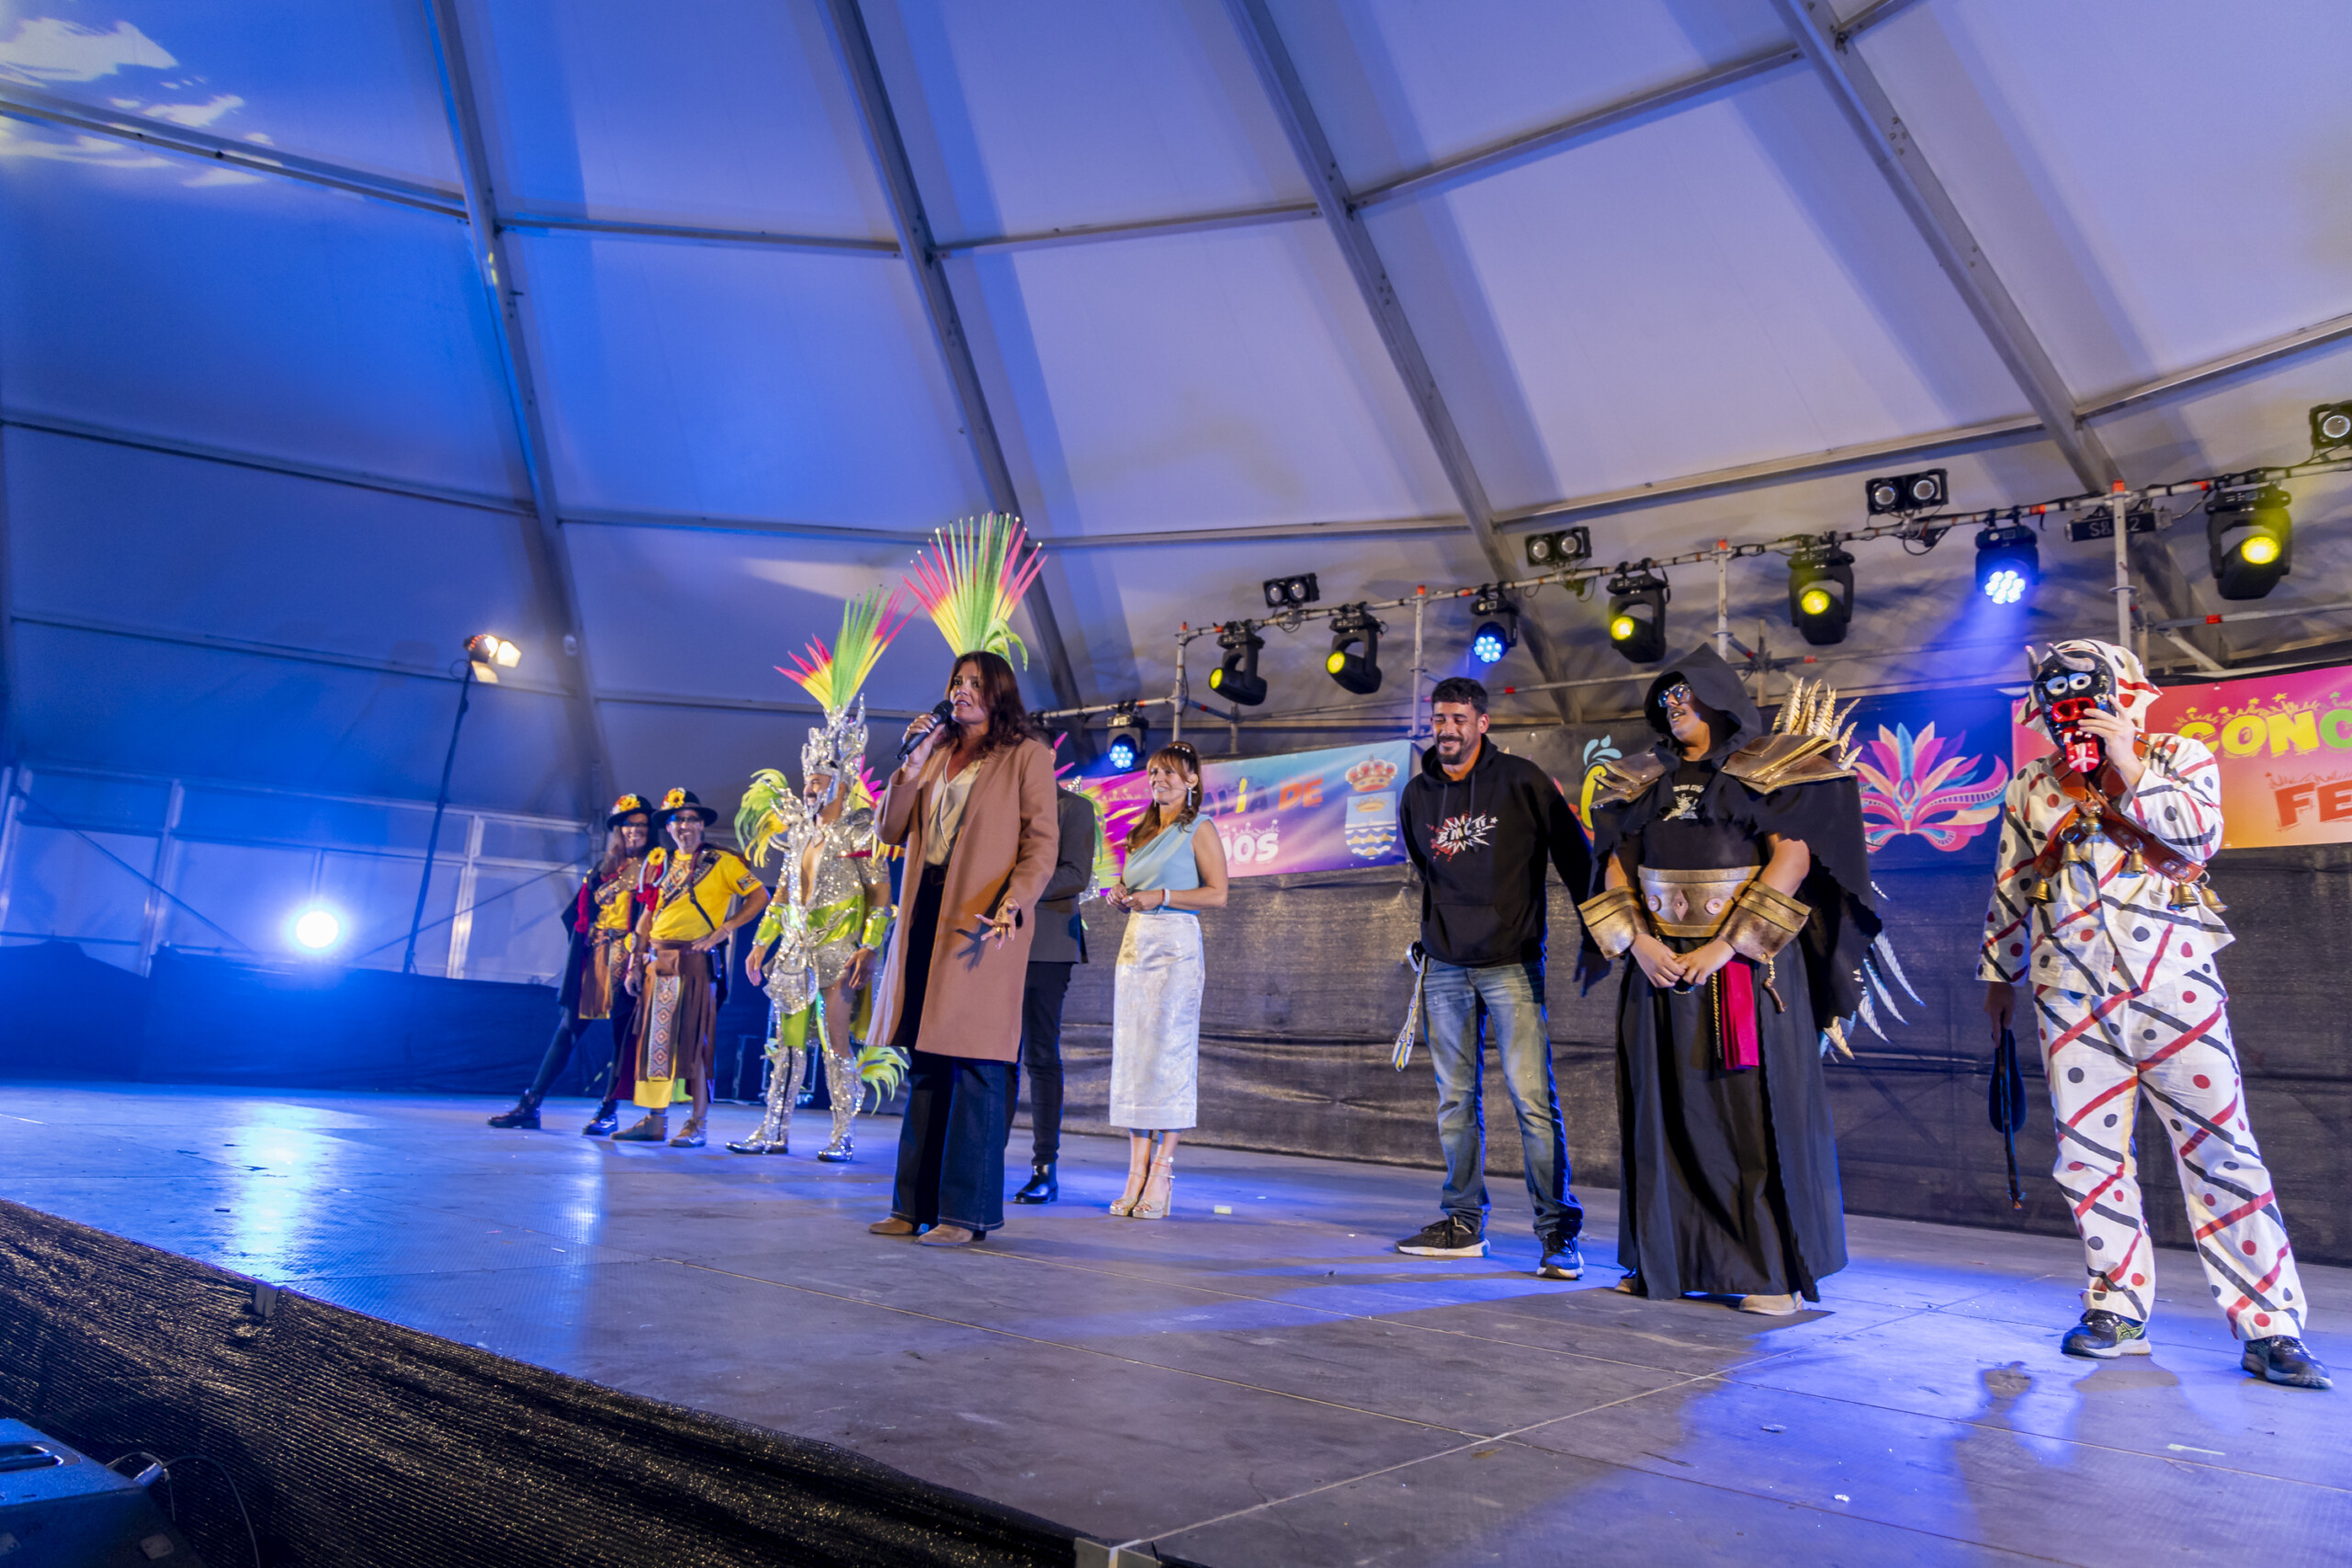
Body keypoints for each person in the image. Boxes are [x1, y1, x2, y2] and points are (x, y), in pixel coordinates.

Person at [1982, 638, 2328, 1388]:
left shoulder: (2179, 755)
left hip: (2177, 984)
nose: (2072, 708)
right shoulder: (2032, 784)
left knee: (2224, 1151)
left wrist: (2128, 762)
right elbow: (2012, 879)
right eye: (2059, 696)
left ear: (2125, 691)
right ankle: (2116, 1308)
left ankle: (2271, 1326)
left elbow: (2201, 837)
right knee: (2088, 1157)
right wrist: (2000, 975)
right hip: (2069, 991)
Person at [1577, 649, 1874, 1314]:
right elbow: (1617, 866)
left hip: (1742, 969)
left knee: (1747, 1119)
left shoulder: (1768, 769)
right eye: (1667, 696)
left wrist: (1724, 946)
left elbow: (1791, 859)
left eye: (1686, 693)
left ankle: (1766, 1273)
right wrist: (1639, 943)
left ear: (1717, 696)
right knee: (1661, 1112)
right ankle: (1663, 1261)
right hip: (1658, 969)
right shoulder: (1636, 778)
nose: (1675, 706)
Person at [1393, 677, 1592, 1278]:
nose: (1447, 728)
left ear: (1483, 722)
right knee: (1455, 1102)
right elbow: (1427, 870)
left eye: (1459, 718)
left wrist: (1598, 934)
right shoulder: (1417, 794)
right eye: (1439, 718)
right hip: (1445, 967)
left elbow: (1576, 858)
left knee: (1533, 1102)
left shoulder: (1523, 781)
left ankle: (1557, 1234)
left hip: (1512, 963)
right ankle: (1462, 1223)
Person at [867, 651, 1057, 1247]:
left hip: (983, 918)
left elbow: (1041, 842)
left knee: (975, 1063)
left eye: (975, 683)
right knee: (926, 1059)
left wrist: (1015, 900)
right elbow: (889, 830)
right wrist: (912, 761)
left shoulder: (1026, 755)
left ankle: (965, 1214)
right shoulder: (936, 751)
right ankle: (911, 1206)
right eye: (957, 681)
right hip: (927, 910)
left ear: (999, 693)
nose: (962, 690)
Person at [729, 667, 898, 1158]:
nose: (809, 787)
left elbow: (882, 899)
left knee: (835, 1043)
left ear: (841, 784)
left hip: (839, 953)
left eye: (819, 780)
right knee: (786, 1045)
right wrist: (760, 943)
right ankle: (773, 1130)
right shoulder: (799, 832)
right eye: (808, 780)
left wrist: (869, 947)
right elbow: (782, 895)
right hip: (793, 952)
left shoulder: (862, 829)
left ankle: (842, 1136)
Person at [1104, 744, 1227, 1220]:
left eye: (1171, 773)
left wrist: (1163, 895)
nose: (1159, 779)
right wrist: (1122, 894)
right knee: (1136, 1057)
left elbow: (1217, 894)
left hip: (1176, 946)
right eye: (1154, 772)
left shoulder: (1200, 828)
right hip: (1137, 946)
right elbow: (1135, 889)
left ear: (1192, 780)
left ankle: (1162, 1171)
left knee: (1169, 1055)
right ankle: (1135, 1172)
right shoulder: (1140, 832)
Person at [489, 793, 653, 1134]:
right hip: (595, 958)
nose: (634, 831)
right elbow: (577, 916)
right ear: (619, 829)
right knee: (568, 1031)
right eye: (628, 825)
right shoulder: (605, 869)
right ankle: (531, 1103)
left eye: (641, 825)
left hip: (630, 959)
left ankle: (608, 1110)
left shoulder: (655, 866)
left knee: (622, 1038)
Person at [617, 789, 770, 1148]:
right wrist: (634, 963)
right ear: (668, 827)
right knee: (656, 1042)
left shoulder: (721, 862)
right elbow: (647, 915)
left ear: (701, 825)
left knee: (695, 1040)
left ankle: (697, 1123)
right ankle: (656, 1120)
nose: (683, 826)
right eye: (677, 820)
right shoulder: (659, 863)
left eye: (690, 819)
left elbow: (760, 895)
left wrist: (724, 930)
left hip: (695, 962)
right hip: (658, 963)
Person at [1010, 784, 1101, 1203]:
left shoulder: (1073, 807)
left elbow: (1076, 875)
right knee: (995, 1057)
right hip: (998, 943)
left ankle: (1044, 1168)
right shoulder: (1004, 802)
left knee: (1040, 1055)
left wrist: (1014, 891)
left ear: (1048, 754)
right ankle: (985, 1158)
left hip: (1048, 944)